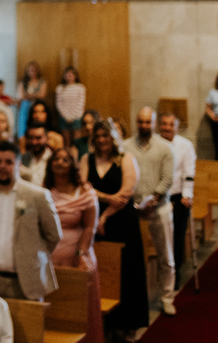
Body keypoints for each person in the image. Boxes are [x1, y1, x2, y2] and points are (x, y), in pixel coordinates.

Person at [0, 140, 62, 301]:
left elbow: (54, 236)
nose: (2, 166)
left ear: (18, 164)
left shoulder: (37, 195)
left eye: (8, 162)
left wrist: (33, 255)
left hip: (25, 280)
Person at [84, 119, 148, 340]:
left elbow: (125, 194)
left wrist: (104, 216)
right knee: (102, 271)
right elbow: (84, 188)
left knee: (126, 271)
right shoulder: (87, 159)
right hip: (94, 220)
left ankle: (128, 322)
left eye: (106, 135)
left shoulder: (126, 159)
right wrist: (102, 206)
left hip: (121, 220)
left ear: (114, 137)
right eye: (98, 136)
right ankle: (105, 322)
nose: (102, 140)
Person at [45, 147, 103, 343]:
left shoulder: (85, 192)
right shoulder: (44, 191)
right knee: (57, 309)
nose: (60, 162)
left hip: (77, 254)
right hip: (50, 257)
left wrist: (81, 253)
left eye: (65, 160)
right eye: (56, 159)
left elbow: (89, 227)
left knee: (80, 308)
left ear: (73, 165)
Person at [122, 107, 176, 315]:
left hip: (159, 207)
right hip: (133, 209)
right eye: (141, 122)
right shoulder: (125, 146)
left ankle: (167, 297)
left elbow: (167, 178)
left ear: (153, 123)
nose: (144, 126)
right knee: (134, 258)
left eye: (148, 122)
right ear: (136, 122)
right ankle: (136, 299)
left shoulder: (164, 148)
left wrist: (155, 198)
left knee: (166, 256)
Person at [158, 112, 195, 291]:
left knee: (177, 239)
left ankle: (176, 272)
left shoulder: (185, 145)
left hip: (178, 197)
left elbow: (189, 173)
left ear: (176, 127)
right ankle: (162, 273)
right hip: (158, 197)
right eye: (164, 124)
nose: (166, 127)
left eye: (170, 125)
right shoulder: (154, 143)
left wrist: (187, 195)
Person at [17, 62, 47, 139]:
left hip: (36, 105)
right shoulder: (23, 82)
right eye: (30, 70)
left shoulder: (42, 81)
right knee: (23, 126)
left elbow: (42, 95)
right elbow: (21, 96)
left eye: (34, 70)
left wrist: (31, 96)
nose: (32, 72)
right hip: (25, 107)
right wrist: (34, 95)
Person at [55, 67, 87, 140]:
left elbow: (81, 103)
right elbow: (59, 104)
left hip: (76, 117)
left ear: (75, 75)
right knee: (66, 140)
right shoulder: (60, 88)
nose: (69, 76)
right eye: (67, 74)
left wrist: (74, 116)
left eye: (71, 74)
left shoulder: (80, 87)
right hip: (64, 117)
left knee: (77, 140)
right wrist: (66, 116)